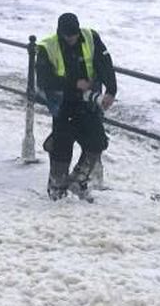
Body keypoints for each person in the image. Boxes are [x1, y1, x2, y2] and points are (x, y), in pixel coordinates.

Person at [35, 12, 117, 201]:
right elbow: (45, 80)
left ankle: (77, 179)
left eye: (74, 35)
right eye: (68, 36)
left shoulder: (90, 38)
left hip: (87, 103)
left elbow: (105, 64)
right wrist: (74, 84)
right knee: (62, 149)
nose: (71, 39)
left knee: (98, 142)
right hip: (62, 104)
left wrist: (111, 91)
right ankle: (57, 187)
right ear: (61, 33)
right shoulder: (47, 47)